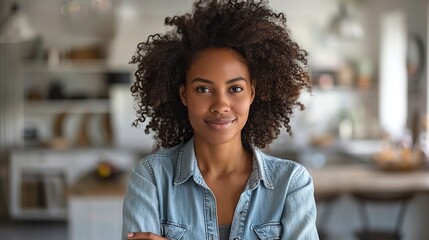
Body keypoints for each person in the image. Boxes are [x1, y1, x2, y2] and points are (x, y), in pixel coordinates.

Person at [122, 0, 318, 239]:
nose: (220, 106)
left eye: (235, 89)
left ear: (252, 93)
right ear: (184, 95)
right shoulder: (151, 177)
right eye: (203, 89)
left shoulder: (291, 184)